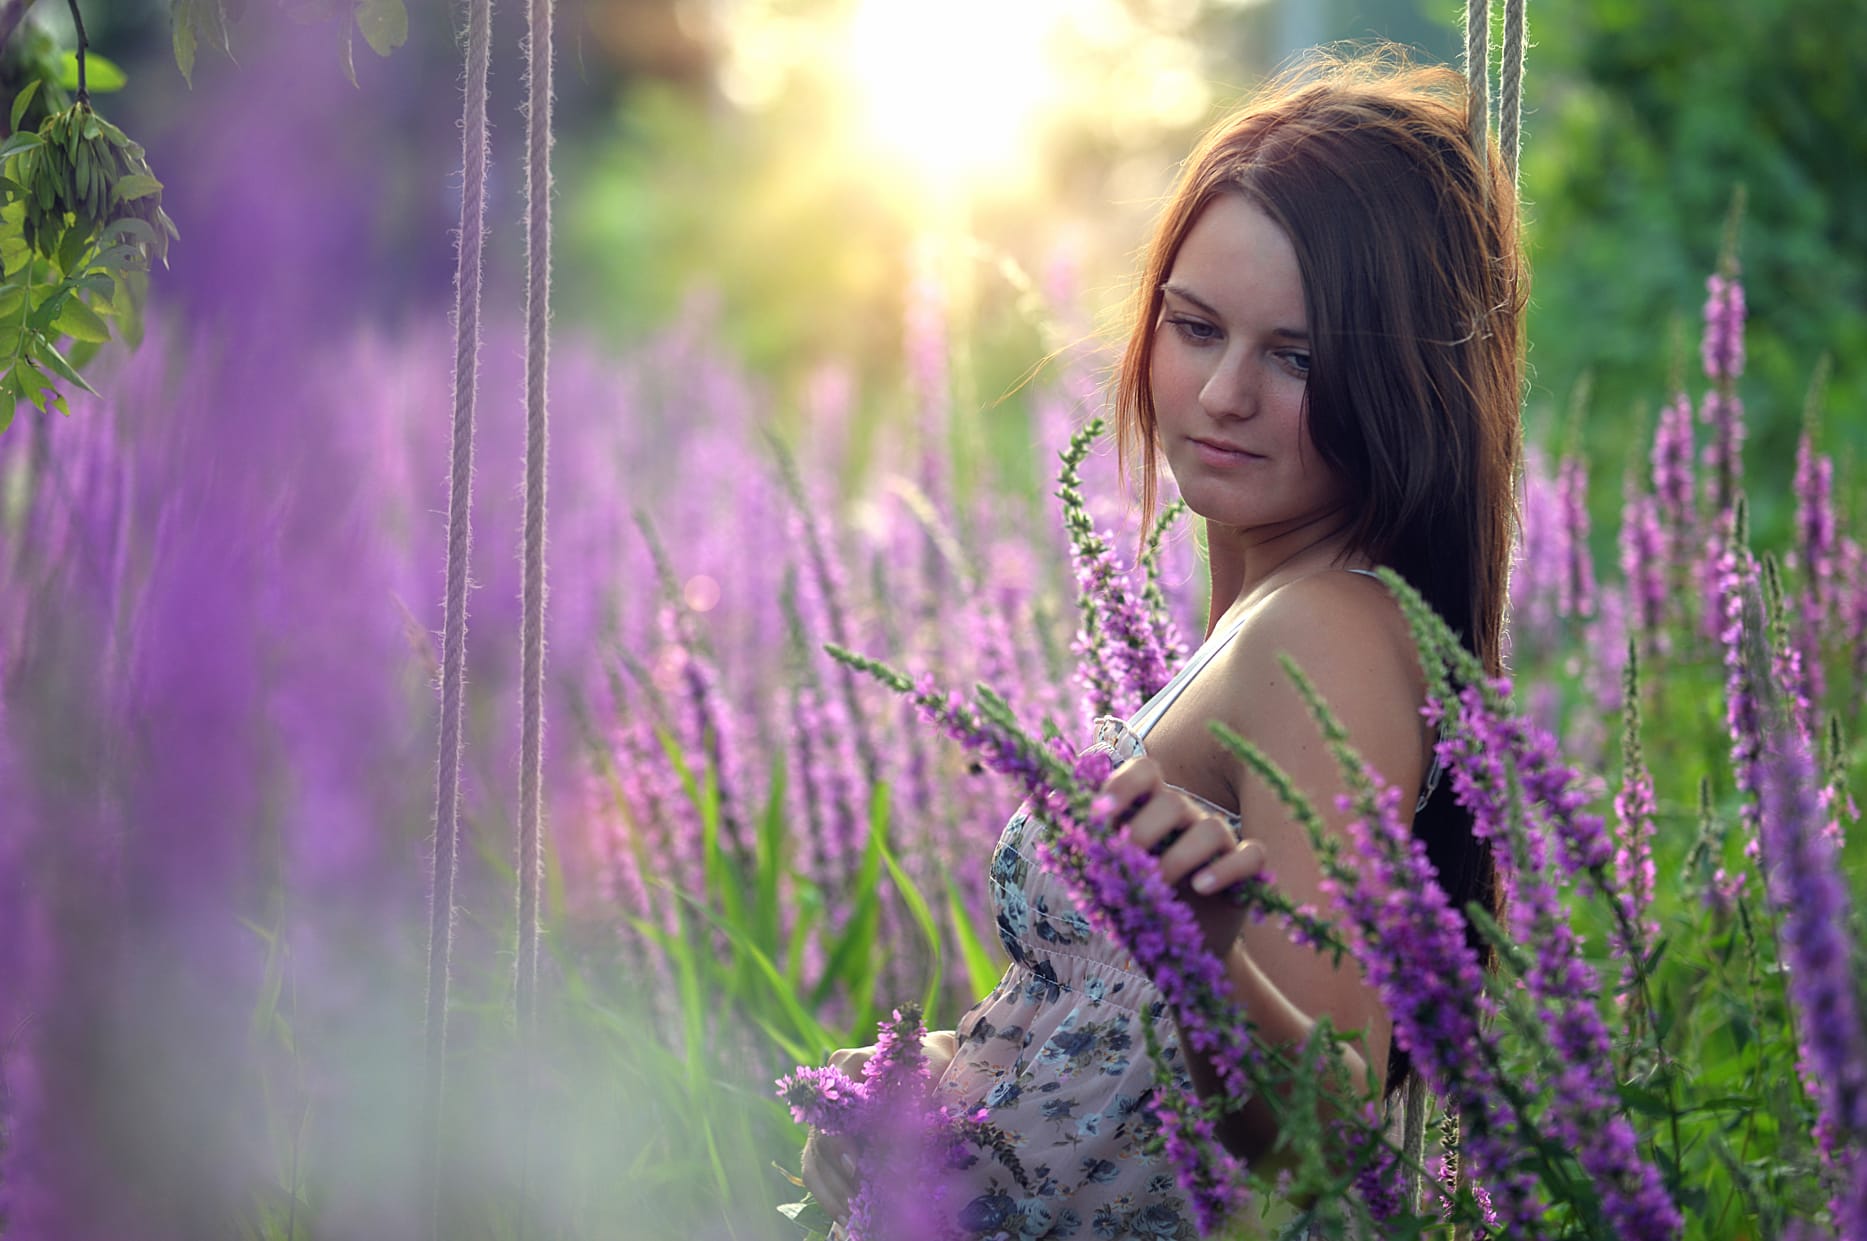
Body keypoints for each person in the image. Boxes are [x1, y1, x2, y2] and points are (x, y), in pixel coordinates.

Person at [803, 48, 1522, 1239]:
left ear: (1400, 380)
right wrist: (920, 1096)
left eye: (1295, 356)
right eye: (1195, 328)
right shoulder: (1267, 613)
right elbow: (1102, 1031)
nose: (1223, 392)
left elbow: (1327, 1138)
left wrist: (1202, 956)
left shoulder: (1322, 632)